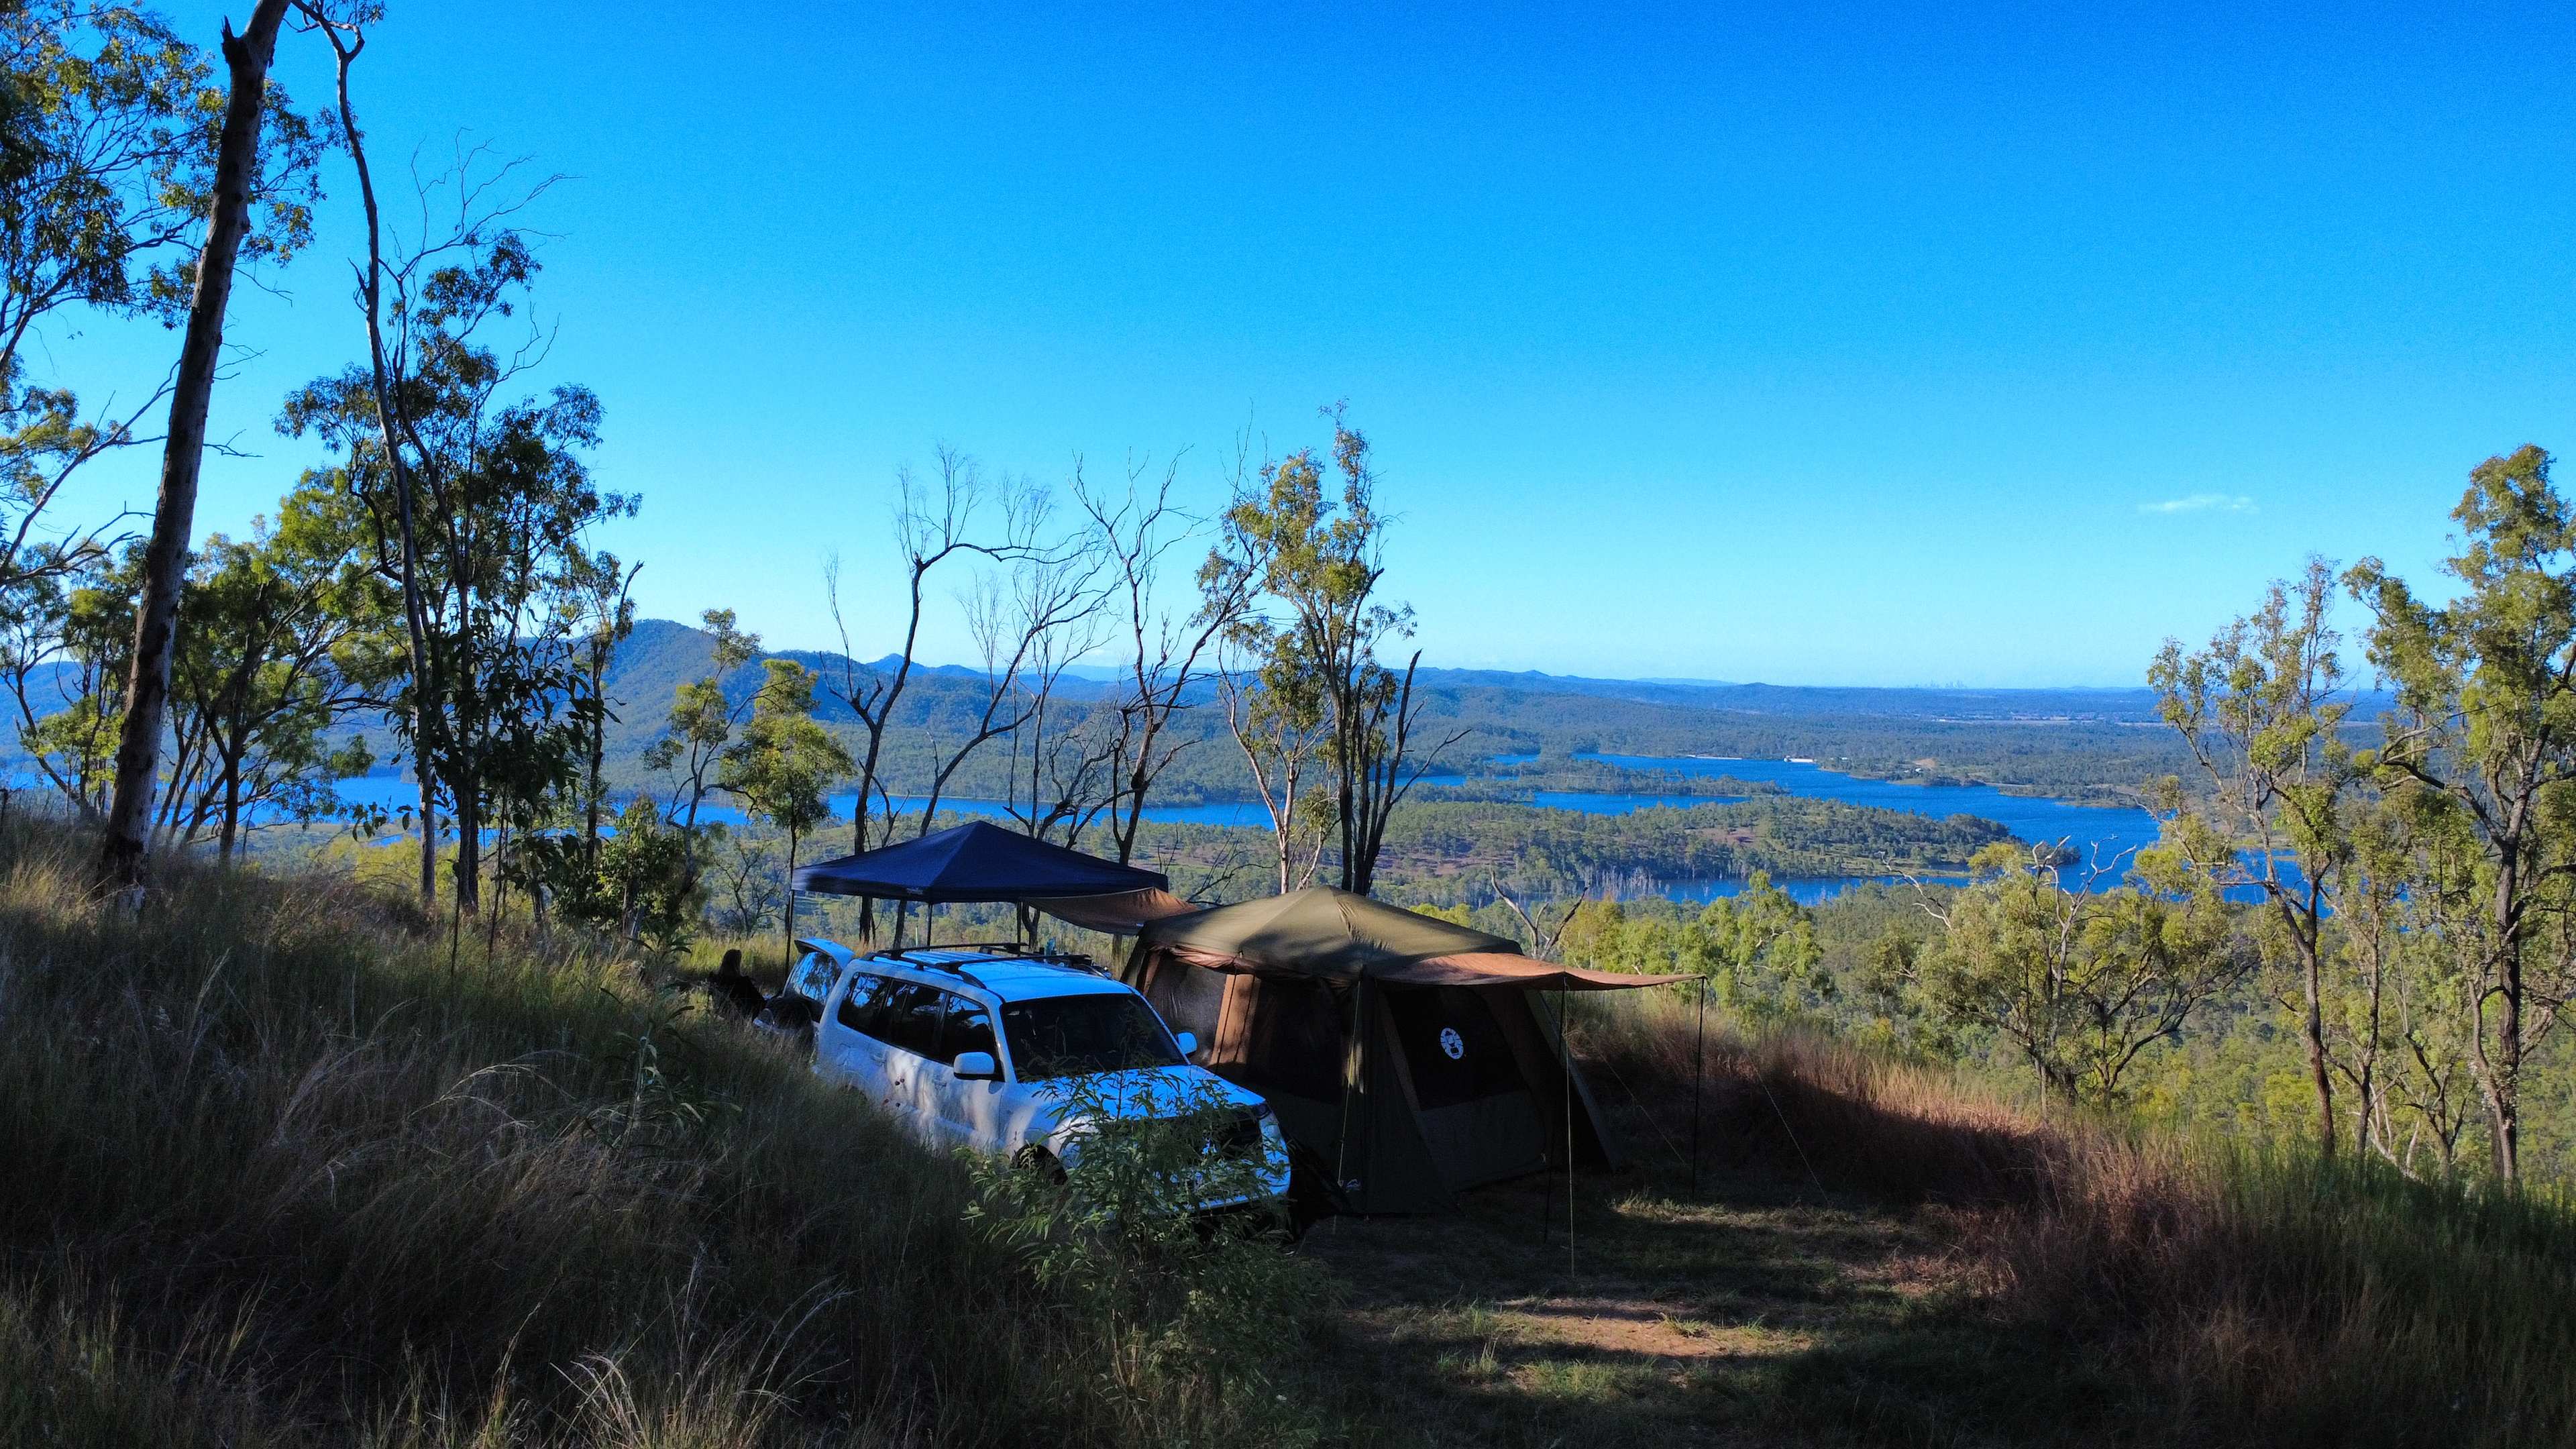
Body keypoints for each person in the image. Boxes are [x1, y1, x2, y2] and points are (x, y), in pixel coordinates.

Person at [710, 949, 767, 1020]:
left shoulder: (716, 979)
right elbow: (761, 1002)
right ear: (737, 964)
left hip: (723, 1011)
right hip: (740, 1015)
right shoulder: (742, 982)